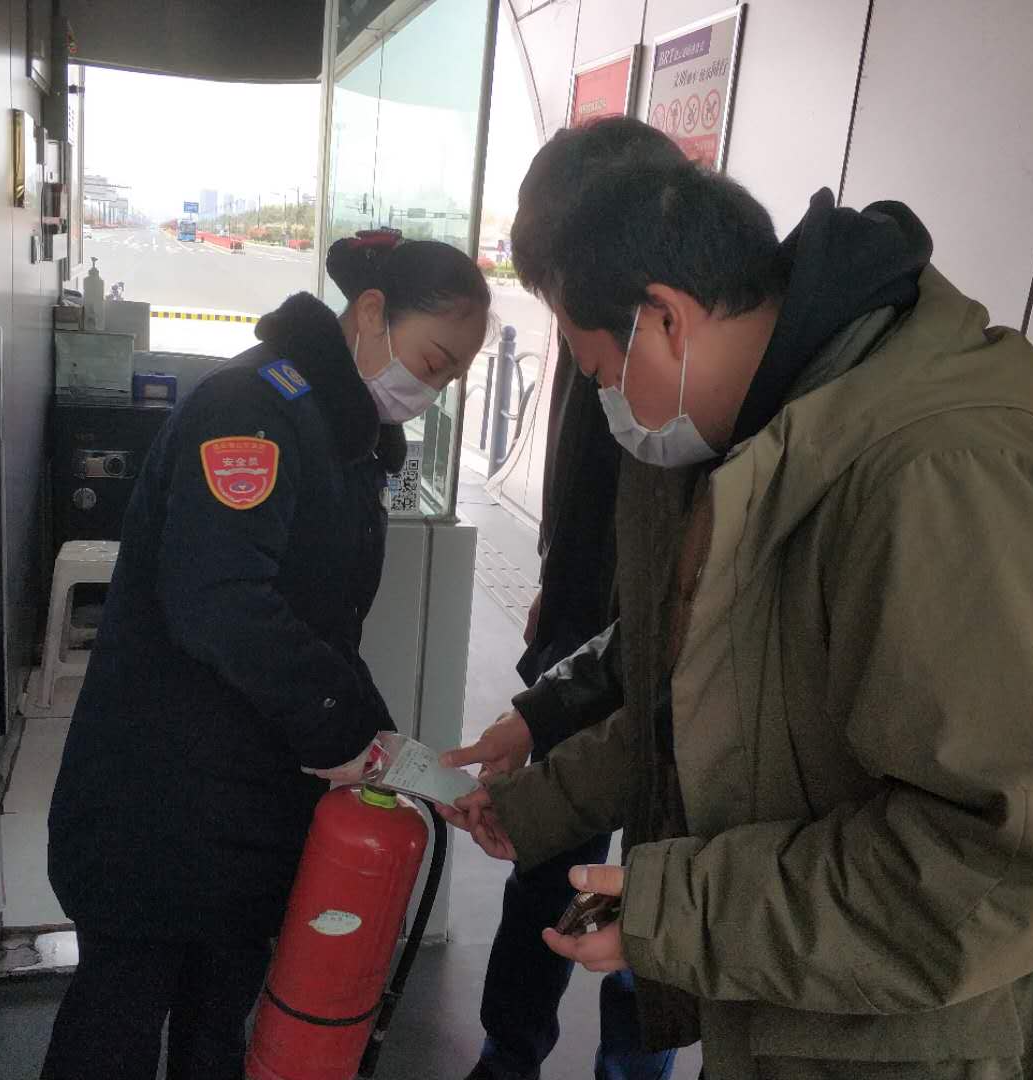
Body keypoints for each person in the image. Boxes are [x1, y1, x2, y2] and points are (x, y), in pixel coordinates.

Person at [445, 117, 1033, 1079]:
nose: (610, 404)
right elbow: (708, 711)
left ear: (665, 319)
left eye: (600, 372)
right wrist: (537, 805)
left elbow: (1031, 853)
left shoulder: (935, 479)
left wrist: (679, 913)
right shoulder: (777, 451)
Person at [42, 230, 491, 1080]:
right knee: (115, 1030)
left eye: (448, 379)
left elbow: (323, 630)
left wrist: (407, 762)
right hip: (159, 802)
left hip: (247, 810)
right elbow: (220, 602)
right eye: (432, 363)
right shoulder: (252, 410)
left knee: (218, 1031)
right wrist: (346, 732)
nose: (428, 392)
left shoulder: (336, 433)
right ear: (370, 313)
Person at [447, 121, 688, 1080]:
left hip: (675, 664)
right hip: (589, 640)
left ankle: (635, 1064)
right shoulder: (600, 343)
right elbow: (584, 500)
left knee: (658, 878)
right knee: (544, 858)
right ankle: (510, 1053)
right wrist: (553, 611)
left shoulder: (693, 376)